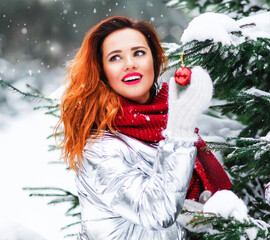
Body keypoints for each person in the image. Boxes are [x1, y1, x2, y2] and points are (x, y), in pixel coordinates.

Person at [57, 16, 232, 240]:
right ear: (102, 72)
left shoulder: (165, 124)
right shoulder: (100, 148)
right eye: (115, 57)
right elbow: (157, 212)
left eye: (138, 53)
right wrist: (179, 133)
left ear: (154, 60)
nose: (130, 63)